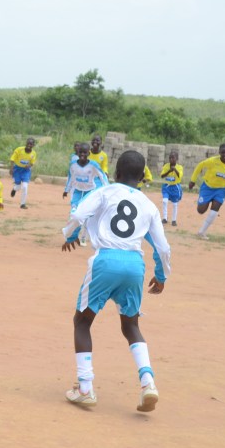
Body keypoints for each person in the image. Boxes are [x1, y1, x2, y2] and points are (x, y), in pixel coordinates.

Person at [60, 150, 171, 413]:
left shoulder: (105, 192)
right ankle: (148, 383)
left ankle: (85, 388)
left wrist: (69, 234)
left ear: (116, 174)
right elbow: (162, 247)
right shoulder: (149, 205)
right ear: (143, 176)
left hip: (105, 261)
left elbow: (78, 214)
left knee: (82, 321)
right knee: (131, 325)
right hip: (135, 265)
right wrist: (162, 275)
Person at [188, 144, 225, 240]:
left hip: (221, 190)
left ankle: (201, 232)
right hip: (207, 187)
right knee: (201, 210)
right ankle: (204, 201)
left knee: (214, 210)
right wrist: (192, 180)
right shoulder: (212, 161)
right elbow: (199, 166)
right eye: (223, 152)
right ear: (219, 153)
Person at [63, 143, 109, 246]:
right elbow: (71, 177)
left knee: (86, 216)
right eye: (80, 152)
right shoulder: (73, 165)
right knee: (74, 214)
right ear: (77, 153)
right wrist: (66, 190)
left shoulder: (94, 165)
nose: (82, 154)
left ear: (89, 153)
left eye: (85, 152)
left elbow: (102, 176)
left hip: (89, 192)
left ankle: (83, 237)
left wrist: (107, 189)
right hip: (77, 192)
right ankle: (72, 236)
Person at [9, 137, 37, 209]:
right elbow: (12, 159)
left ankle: (22, 204)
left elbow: (32, 163)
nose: (29, 145)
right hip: (17, 170)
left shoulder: (33, 153)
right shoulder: (19, 150)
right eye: (28, 143)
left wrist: (29, 165)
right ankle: (14, 189)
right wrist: (11, 168)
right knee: (18, 187)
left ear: (33, 145)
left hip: (26, 171)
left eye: (31, 144)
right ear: (26, 143)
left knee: (25, 186)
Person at [160, 150, 183, 226]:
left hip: (175, 187)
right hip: (167, 186)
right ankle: (165, 218)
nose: (171, 159)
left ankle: (174, 220)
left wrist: (175, 169)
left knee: (175, 204)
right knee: (164, 201)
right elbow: (162, 176)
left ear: (177, 159)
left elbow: (180, 176)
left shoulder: (179, 167)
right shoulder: (166, 166)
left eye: (173, 158)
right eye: (170, 158)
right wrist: (169, 171)